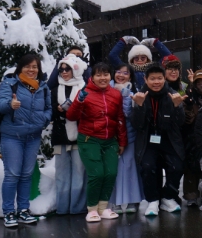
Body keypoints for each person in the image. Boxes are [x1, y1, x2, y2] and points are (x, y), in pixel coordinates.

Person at [66, 62, 128, 222]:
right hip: (89, 139)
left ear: (110, 76)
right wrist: (78, 101)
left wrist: (122, 141)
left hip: (110, 140)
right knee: (97, 174)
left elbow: (120, 118)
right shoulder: (84, 92)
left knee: (111, 173)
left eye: (106, 74)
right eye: (98, 75)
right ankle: (92, 209)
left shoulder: (116, 94)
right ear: (92, 77)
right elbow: (71, 116)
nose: (103, 78)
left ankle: (103, 208)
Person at [0, 54, 51, 227]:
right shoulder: (10, 84)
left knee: (26, 175)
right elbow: (0, 105)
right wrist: (10, 105)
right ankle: (8, 212)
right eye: (27, 66)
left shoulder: (43, 87)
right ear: (20, 68)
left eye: (35, 67)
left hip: (33, 136)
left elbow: (49, 108)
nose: (31, 70)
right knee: (12, 174)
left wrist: (43, 120)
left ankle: (23, 210)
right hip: (12, 136)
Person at [131, 66, 185, 216]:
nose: (156, 82)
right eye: (152, 79)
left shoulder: (172, 95)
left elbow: (180, 123)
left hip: (169, 139)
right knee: (148, 167)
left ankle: (168, 197)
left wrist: (177, 107)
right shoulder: (140, 95)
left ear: (164, 78)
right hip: (147, 140)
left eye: (159, 78)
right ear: (145, 79)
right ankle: (153, 200)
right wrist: (139, 106)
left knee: (177, 167)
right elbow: (137, 125)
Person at [50, 55, 88, 216]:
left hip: (80, 135)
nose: (64, 72)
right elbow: (48, 112)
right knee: (61, 173)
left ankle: (77, 207)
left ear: (75, 70)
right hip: (60, 135)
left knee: (80, 172)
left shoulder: (84, 88)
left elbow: (89, 112)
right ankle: (62, 207)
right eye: (61, 69)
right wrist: (57, 110)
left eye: (68, 69)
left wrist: (75, 109)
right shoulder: (54, 89)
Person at [108, 63, 143, 214]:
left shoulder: (134, 93)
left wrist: (126, 97)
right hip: (110, 136)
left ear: (130, 76)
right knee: (113, 169)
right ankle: (114, 202)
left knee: (130, 168)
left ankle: (132, 200)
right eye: (118, 72)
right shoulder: (106, 90)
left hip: (130, 136)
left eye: (125, 73)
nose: (121, 75)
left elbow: (129, 114)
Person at [182, 70, 202, 206]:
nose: (201, 84)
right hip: (190, 136)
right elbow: (187, 119)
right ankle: (191, 195)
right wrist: (189, 105)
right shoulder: (188, 96)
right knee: (191, 166)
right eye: (198, 82)